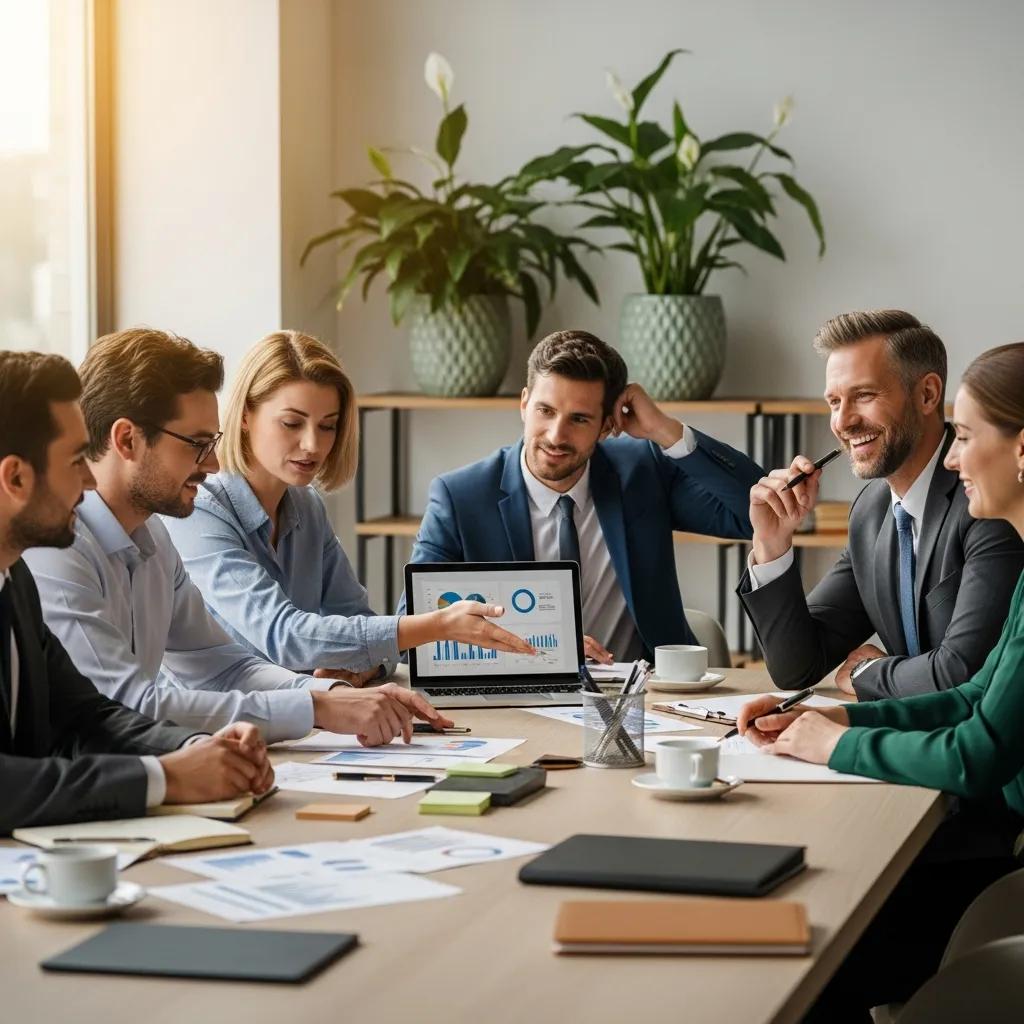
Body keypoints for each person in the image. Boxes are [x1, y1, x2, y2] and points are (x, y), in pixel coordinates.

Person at [737, 342, 1024, 1020]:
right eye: (834, 400)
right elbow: (974, 697)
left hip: (997, 852)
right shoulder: (873, 513)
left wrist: (838, 737)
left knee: (815, 958)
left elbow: (976, 750)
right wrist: (838, 720)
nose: (955, 457)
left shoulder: (995, 529)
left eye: (967, 435)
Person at [24, 328, 450, 745]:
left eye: (212, 442)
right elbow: (125, 704)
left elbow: (224, 667)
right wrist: (317, 709)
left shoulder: (153, 534)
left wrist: (333, 695)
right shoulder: (57, 548)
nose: (211, 464)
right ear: (127, 439)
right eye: (196, 443)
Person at [0, 350, 273, 833]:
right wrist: (163, 777)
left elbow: (87, 712)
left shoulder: (14, 579)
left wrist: (193, 749)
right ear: (16, 478)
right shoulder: (38, 567)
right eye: (75, 461)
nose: (88, 480)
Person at [161, 330, 536, 680]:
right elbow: (286, 636)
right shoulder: (201, 509)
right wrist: (436, 626)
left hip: (298, 721)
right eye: (292, 423)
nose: (312, 445)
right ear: (245, 416)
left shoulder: (307, 507)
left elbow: (361, 624)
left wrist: (362, 669)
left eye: (328, 426)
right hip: (210, 729)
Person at [403, 329, 764, 663]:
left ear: (608, 425)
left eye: (579, 419)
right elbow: (409, 634)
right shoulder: (460, 497)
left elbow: (756, 512)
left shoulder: (641, 472)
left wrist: (666, 431)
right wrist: (550, 644)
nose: (556, 435)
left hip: (639, 698)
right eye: (545, 411)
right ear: (524, 404)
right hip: (517, 698)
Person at [738, 310, 1023, 698]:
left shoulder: (989, 502)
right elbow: (796, 666)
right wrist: (772, 545)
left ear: (927, 394)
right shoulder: (872, 511)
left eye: (864, 395)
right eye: (834, 401)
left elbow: (962, 673)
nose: (843, 421)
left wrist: (868, 672)